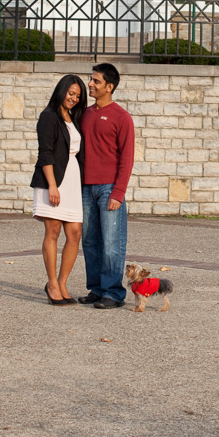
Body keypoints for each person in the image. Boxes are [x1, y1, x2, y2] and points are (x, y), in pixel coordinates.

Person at [78, 62, 135, 309]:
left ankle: (113, 293)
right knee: (89, 241)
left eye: (96, 81)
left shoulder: (122, 117)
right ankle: (97, 288)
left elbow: (127, 157)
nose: (90, 84)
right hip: (85, 188)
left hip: (109, 188)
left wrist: (118, 192)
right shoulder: (86, 114)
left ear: (109, 87)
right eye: (91, 79)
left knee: (112, 243)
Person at [30, 74, 87, 305]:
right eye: (70, 93)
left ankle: (63, 283)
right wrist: (53, 186)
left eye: (78, 95)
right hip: (53, 180)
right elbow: (45, 152)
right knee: (52, 232)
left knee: (74, 233)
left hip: (73, 180)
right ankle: (52, 283)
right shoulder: (48, 116)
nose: (73, 98)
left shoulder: (74, 118)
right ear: (61, 90)